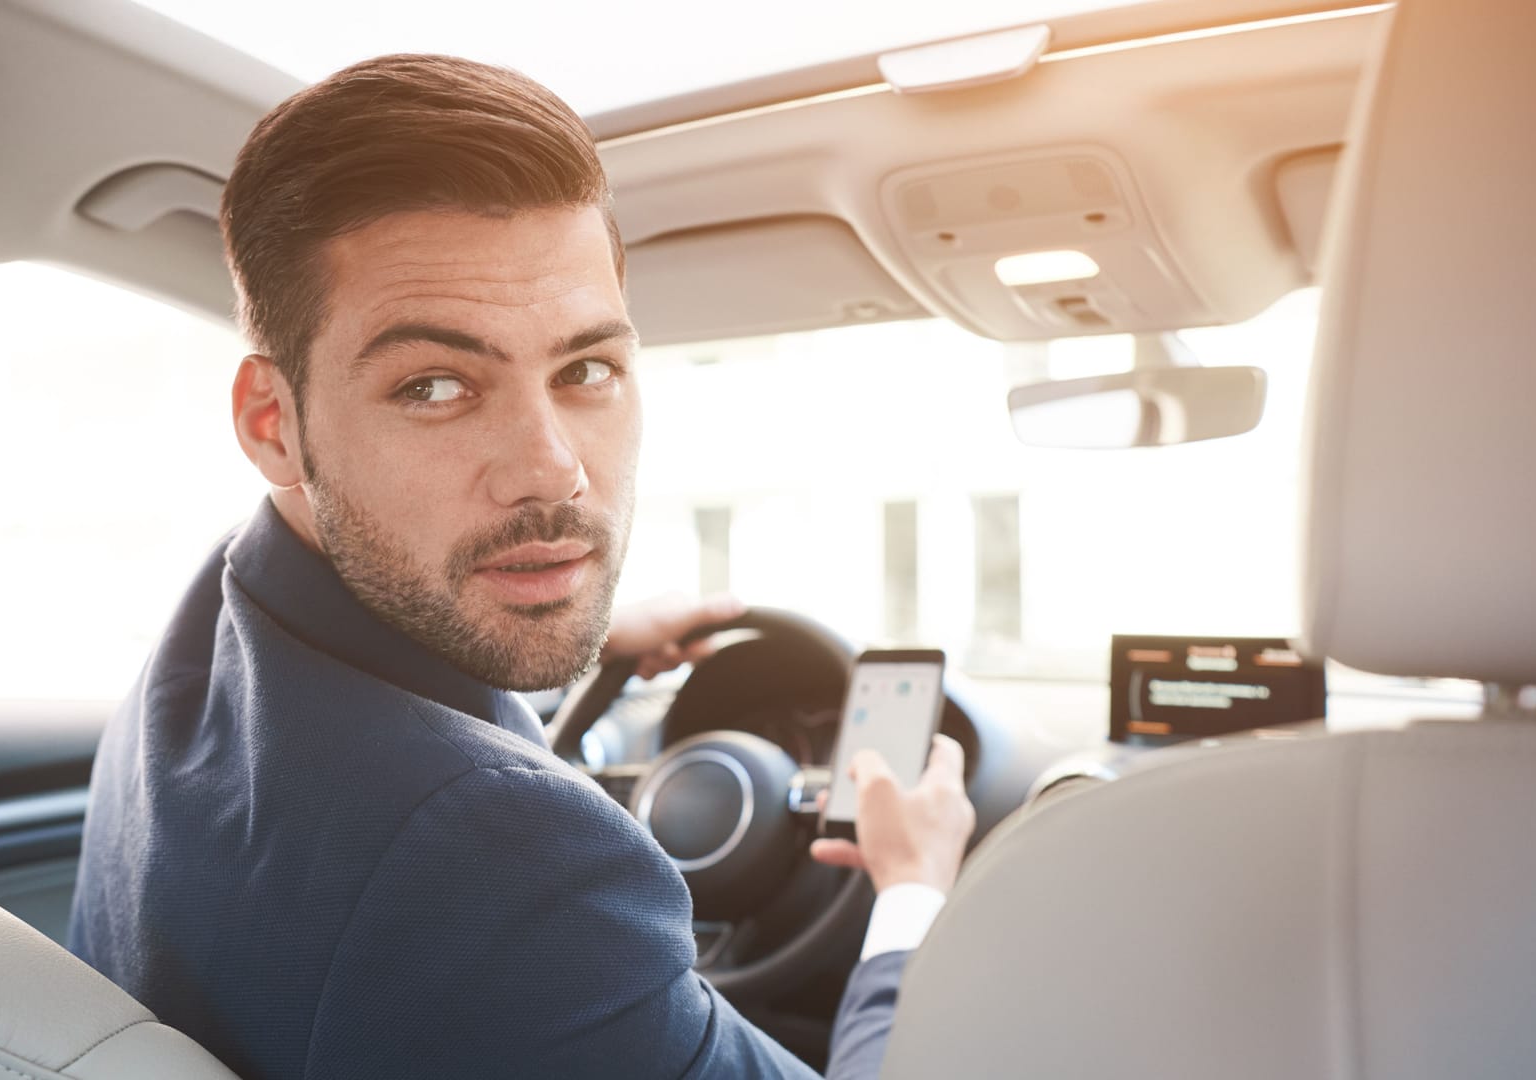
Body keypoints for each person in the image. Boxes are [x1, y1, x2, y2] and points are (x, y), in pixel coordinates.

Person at [68, 53, 974, 1080]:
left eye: (586, 369)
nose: (553, 473)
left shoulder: (208, 641)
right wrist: (910, 892)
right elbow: (452, 835)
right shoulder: (516, 865)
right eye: (436, 386)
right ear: (273, 424)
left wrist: (565, 654)